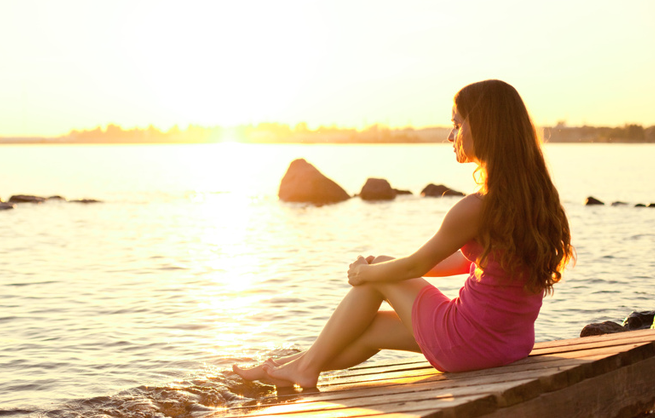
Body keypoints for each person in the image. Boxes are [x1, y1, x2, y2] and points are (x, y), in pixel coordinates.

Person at [233, 79, 575, 388]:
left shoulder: (476, 208)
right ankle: (283, 368)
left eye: (456, 124)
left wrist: (370, 271)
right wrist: (389, 269)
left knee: (379, 270)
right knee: (368, 330)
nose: (450, 135)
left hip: (467, 342)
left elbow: (413, 267)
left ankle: (302, 368)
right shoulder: (533, 200)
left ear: (484, 128)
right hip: (508, 343)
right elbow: (458, 261)